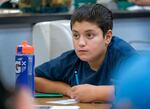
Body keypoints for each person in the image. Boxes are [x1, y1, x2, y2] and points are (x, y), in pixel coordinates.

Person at [34, 4, 137, 103]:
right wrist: (68, 91)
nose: (81, 43)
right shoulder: (72, 59)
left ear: (107, 37)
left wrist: (96, 93)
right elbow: (31, 79)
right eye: (76, 35)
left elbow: (143, 88)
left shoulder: (122, 54)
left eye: (89, 35)